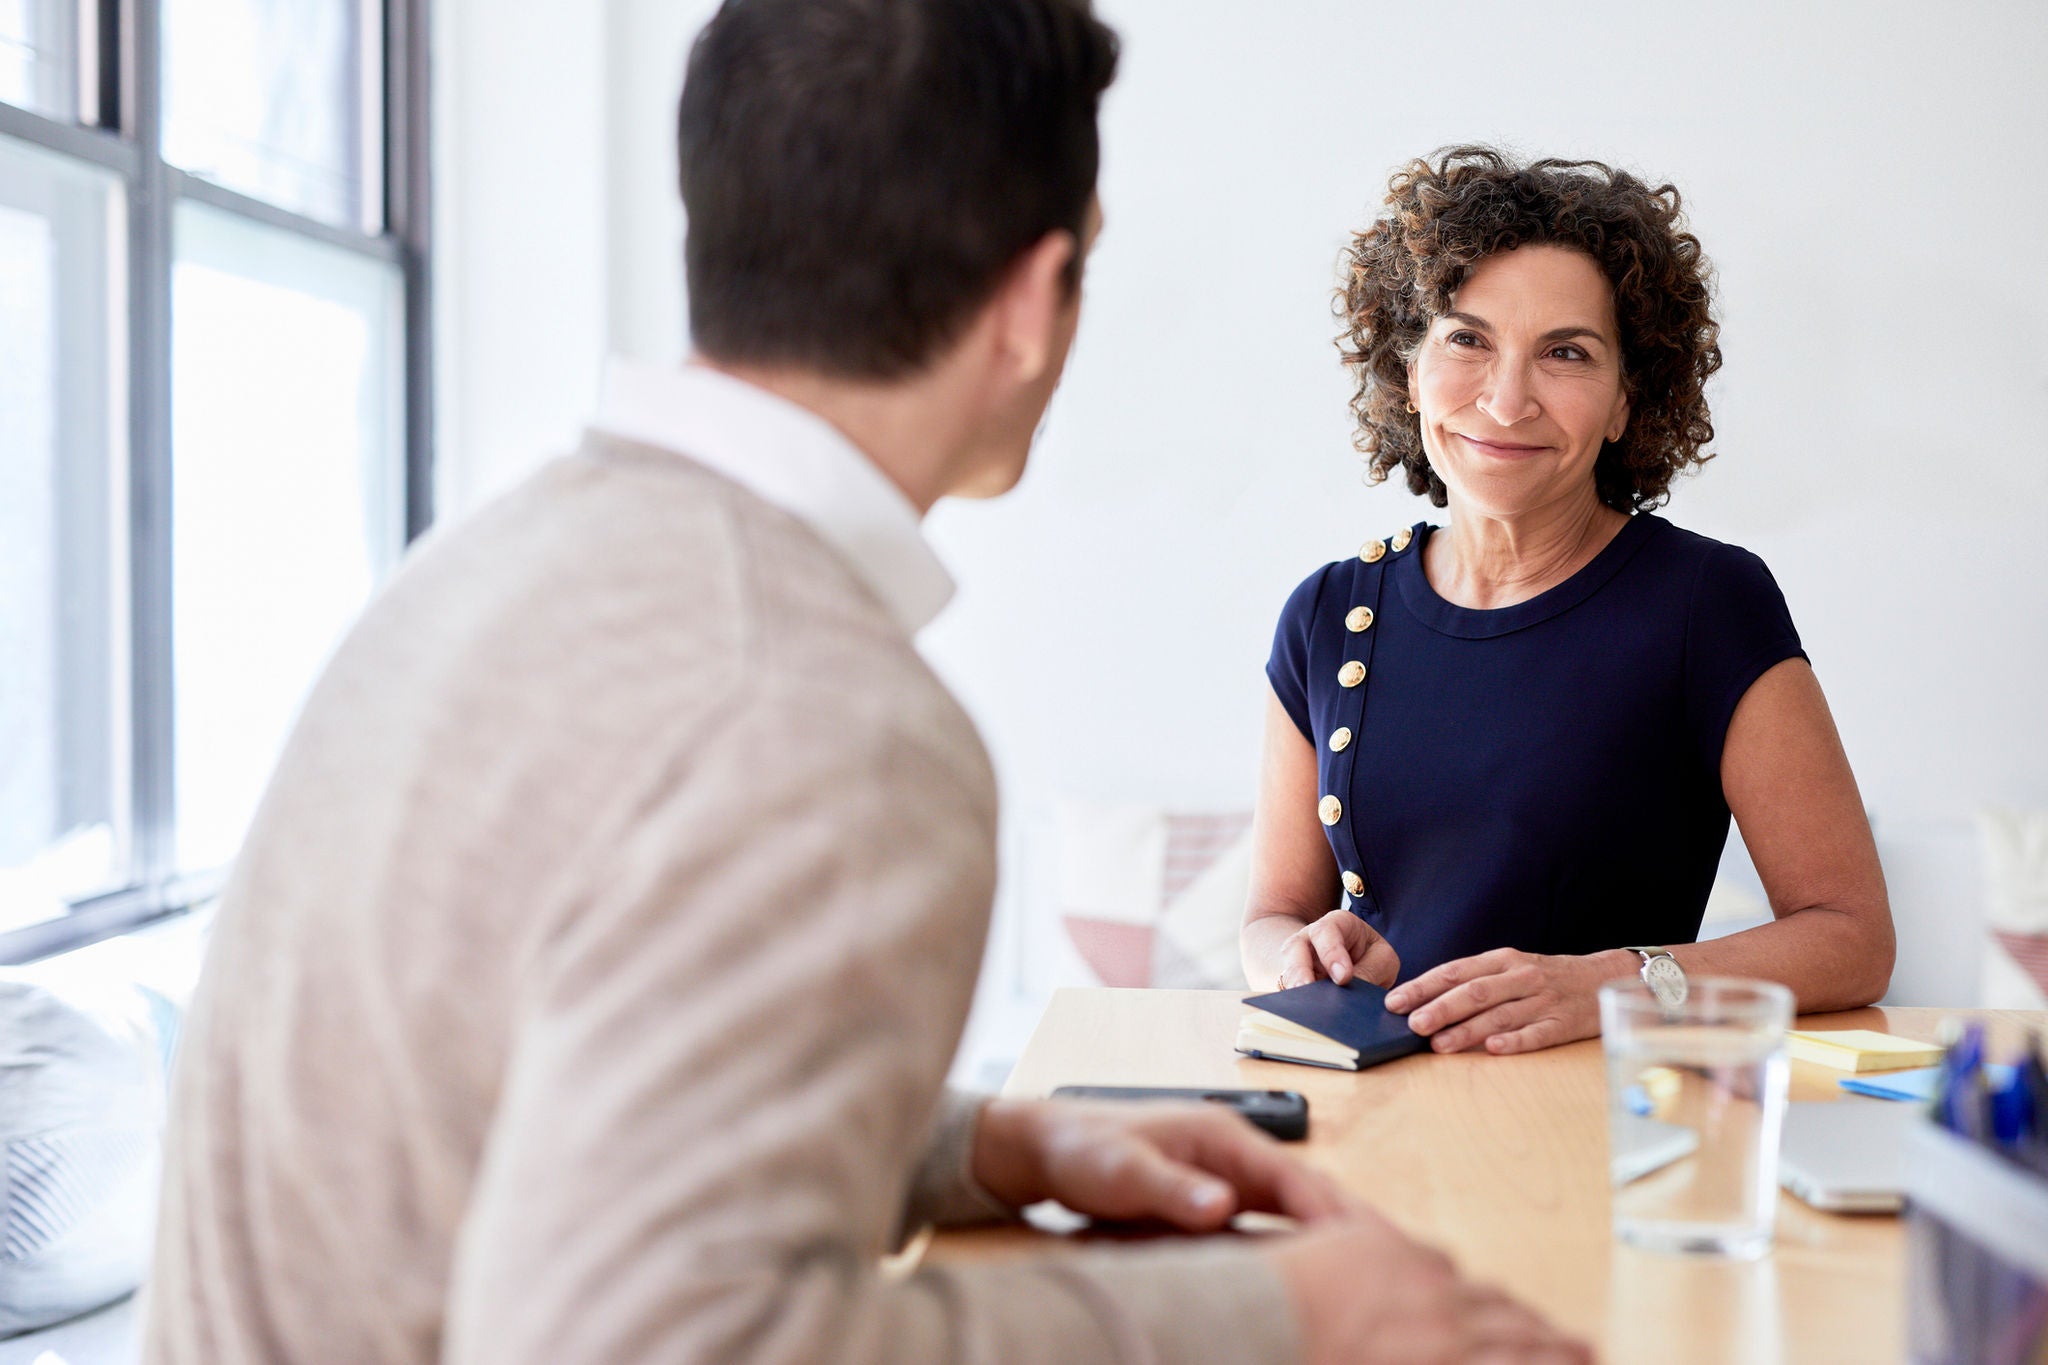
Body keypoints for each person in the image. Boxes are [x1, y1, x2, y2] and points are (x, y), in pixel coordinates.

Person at [145, 10, 1589, 1365]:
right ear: (1035, 299)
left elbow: (547, 1104)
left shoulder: (481, 571)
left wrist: (976, 1148)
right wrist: (1275, 1315)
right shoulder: (814, 714)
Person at [1241, 146, 1895, 1056]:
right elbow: (1271, 917)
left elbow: (1853, 937)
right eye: (1466, 339)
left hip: (1605, 1117)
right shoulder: (1328, 612)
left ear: (1629, 399)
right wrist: (1298, 957)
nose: (1506, 401)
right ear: (1408, 368)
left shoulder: (1709, 602)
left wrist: (1607, 985)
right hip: (1375, 1115)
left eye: (1566, 353)